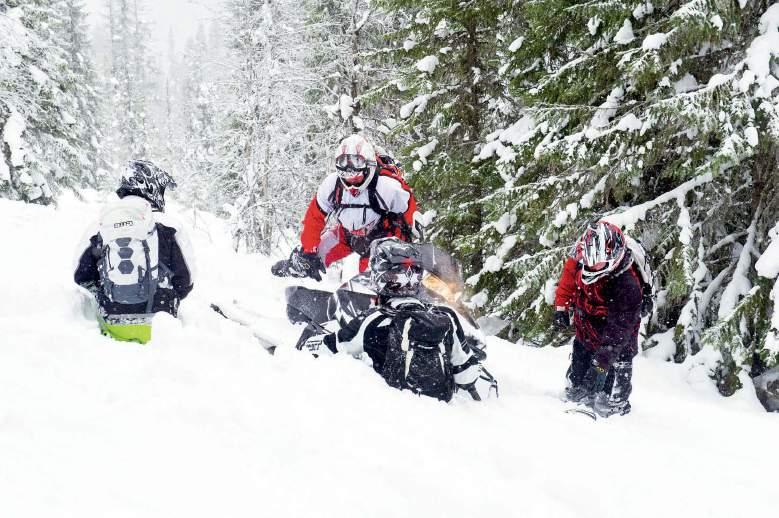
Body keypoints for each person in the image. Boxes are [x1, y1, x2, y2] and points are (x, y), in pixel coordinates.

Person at [301, 238, 497, 402]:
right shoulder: (447, 318)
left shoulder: (372, 320)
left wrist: (307, 342)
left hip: (397, 415)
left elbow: (331, 347)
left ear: (380, 277)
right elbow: (467, 375)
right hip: (442, 414)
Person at [73, 160, 195, 344]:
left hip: (111, 327)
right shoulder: (169, 226)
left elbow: (81, 276)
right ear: (151, 187)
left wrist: (108, 293)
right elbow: (186, 281)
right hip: (160, 328)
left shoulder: (102, 225)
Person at [272, 134, 418, 281]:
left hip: (382, 237)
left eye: (356, 173)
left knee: (372, 281)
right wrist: (309, 249)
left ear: (368, 167)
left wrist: (407, 255)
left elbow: (411, 218)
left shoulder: (387, 187)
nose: (351, 179)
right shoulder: (332, 185)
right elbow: (314, 217)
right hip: (347, 235)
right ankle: (294, 268)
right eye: (346, 173)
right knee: (307, 259)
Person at [553, 220, 644, 417]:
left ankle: (617, 408)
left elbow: (619, 332)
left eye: (597, 263)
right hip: (586, 324)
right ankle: (577, 392)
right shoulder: (584, 253)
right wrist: (561, 306)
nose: (591, 265)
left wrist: (601, 365)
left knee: (609, 395)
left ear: (613, 258)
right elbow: (569, 277)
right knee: (577, 380)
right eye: (588, 261)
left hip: (618, 336)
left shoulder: (627, 285)